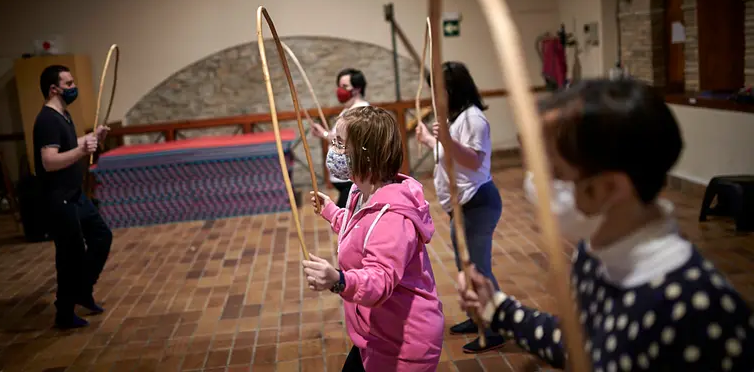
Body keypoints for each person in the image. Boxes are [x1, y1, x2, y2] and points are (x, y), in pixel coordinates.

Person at [458, 78, 754, 371]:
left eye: (555, 172)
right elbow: (584, 345)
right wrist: (498, 309)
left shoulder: (698, 308)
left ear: (610, 187)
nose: (536, 184)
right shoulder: (594, 255)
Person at [303, 106, 444, 371]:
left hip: (404, 343)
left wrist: (338, 280)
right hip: (376, 332)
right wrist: (331, 212)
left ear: (365, 155)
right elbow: (360, 230)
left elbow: (379, 280)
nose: (333, 149)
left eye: (339, 143)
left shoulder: (393, 218)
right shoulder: (361, 192)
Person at [415, 61, 505, 353]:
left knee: (478, 270)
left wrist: (445, 139)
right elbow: (450, 155)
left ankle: (494, 328)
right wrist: (432, 141)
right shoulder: (456, 118)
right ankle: (478, 317)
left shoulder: (474, 119)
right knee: (466, 267)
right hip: (462, 205)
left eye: (438, 90)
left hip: (477, 202)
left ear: (453, 90)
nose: (434, 96)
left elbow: (474, 161)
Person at [33, 65, 113, 329]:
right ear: (53, 89)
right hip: (59, 199)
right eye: (68, 84)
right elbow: (49, 161)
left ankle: (82, 290)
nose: (73, 87)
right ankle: (65, 312)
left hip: (75, 195)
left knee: (101, 236)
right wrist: (82, 151)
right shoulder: (47, 120)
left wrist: (91, 137)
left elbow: (68, 144)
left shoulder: (63, 115)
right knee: (70, 255)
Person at [311, 68, 369, 208]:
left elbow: (349, 143)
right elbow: (340, 138)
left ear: (357, 88)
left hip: (352, 179)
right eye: (339, 86)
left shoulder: (360, 111)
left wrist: (324, 134)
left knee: (343, 218)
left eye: (345, 86)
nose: (340, 90)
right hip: (344, 179)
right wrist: (324, 133)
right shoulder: (348, 109)